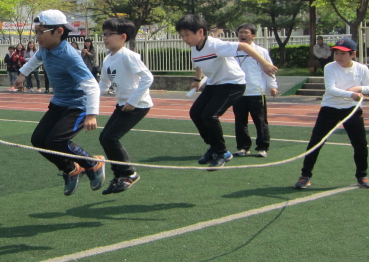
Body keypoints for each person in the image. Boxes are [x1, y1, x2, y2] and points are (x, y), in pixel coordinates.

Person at [13, 10, 105, 196]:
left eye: (41, 32)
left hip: (78, 105)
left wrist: (91, 114)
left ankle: (93, 164)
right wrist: (22, 74)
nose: (37, 36)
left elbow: (92, 86)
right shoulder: (45, 49)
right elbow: (36, 59)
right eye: (36, 31)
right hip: (59, 103)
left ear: (59, 32)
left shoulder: (69, 56)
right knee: (38, 140)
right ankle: (71, 169)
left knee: (56, 141)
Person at [177, 14, 278, 170]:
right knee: (195, 113)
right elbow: (198, 64)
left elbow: (244, 46)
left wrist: (264, 64)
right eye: (182, 35)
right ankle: (213, 146)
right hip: (213, 84)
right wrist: (197, 81)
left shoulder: (216, 45)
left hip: (233, 84)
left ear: (201, 32)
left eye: (187, 35)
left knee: (210, 116)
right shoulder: (194, 49)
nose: (184, 38)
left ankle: (222, 153)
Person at [294, 38, 369, 190]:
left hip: (352, 110)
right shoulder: (330, 67)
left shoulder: (361, 69)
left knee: (360, 144)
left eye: (342, 53)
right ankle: (305, 176)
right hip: (329, 109)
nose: (338, 56)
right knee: (316, 142)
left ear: (353, 54)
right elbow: (331, 89)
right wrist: (350, 94)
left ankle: (362, 175)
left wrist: (359, 88)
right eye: (336, 53)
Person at [97, 17, 153, 195]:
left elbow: (148, 78)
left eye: (109, 34)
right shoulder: (108, 59)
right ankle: (120, 175)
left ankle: (129, 174)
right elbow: (103, 85)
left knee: (111, 138)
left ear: (123, 36)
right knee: (105, 137)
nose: (105, 38)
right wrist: (89, 100)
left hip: (137, 105)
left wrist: (133, 101)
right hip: (123, 105)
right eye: (103, 34)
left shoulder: (128, 56)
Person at [232, 24, 279, 158]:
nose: (243, 35)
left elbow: (269, 69)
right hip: (238, 92)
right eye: (241, 32)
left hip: (256, 92)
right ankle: (243, 147)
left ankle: (262, 147)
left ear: (253, 35)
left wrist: (272, 86)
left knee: (260, 121)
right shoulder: (232, 51)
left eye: (246, 32)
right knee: (240, 122)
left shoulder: (261, 51)